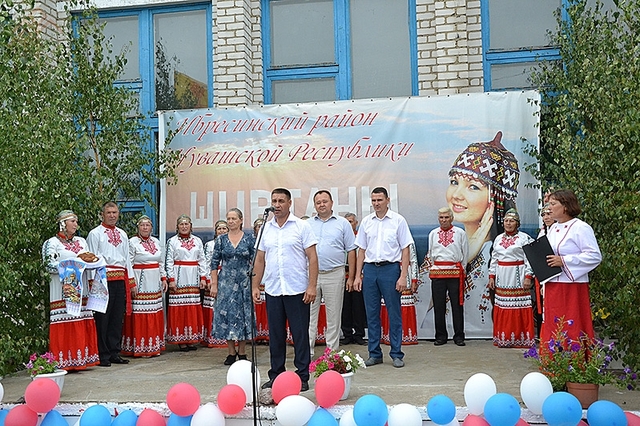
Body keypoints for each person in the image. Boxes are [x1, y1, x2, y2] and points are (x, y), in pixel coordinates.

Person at [445, 131, 520, 334]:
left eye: (473, 187)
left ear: (496, 197)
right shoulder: (450, 237)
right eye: (454, 182)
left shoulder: (495, 251)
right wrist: (468, 252)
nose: (457, 195)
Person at [252, 188, 318, 392]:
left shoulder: (301, 226)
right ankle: (276, 374)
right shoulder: (266, 228)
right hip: (273, 289)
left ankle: (302, 375)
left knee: (299, 335)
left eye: (281, 201)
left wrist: (312, 285)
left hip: (297, 289)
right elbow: (260, 259)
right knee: (276, 335)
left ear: (290, 203)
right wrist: (255, 285)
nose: (277, 205)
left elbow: (312, 257)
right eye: (274, 201)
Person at [353, 187, 415, 368]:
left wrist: (403, 276)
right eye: (373, 200)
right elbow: (361, 250)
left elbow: (405, 249)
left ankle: (396, 353)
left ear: (388, 200)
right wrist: (357, 276)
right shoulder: (366, 222)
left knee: (393, 312)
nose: (376, 203)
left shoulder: (398, 220)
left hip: (390, 269)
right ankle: (374, 353)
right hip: (370, 270)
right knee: (372, 313)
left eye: (379, 200)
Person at [42, 210, 100, 370]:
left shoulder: (81, 241)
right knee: (65, 319)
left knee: (80, 318)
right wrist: (71, 266)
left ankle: (82, 359)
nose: (76, 224)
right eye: (72, 221)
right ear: (63, 224)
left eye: (76, 221)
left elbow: (89, 258)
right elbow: (48, 265)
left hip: (82, 289)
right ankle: (64, 361)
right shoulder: (52, 243)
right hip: (62, 289)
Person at [542, 189, 601, 342]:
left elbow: (594, 256)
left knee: (570, 323)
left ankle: (573, 355)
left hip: (571, 286)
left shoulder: (580, 227)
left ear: (566, 206)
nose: (549, 208)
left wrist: (565, 260)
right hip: (552, 283)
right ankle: (553, 355)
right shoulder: (553, 228)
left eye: (553, 204)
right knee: (553, 323)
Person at [87, 202, 136, 367]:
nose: (112, 215)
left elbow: (127, 259)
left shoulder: (122, 234)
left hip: (120, 278)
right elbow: (91, 258)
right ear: (102, 214)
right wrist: (92, 283)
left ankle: (115, 352)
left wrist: (131, 282)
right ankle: (103, 354)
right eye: (109, 212)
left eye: (114, 212)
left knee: (116, 317)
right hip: (102, 278)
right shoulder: (95, 234)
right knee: (103, 318)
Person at [308, 190, 356, 355]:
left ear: (332, 203)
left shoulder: (343, 223)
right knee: (309, 316)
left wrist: (351, 277)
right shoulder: (307, 224)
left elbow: (351, 250)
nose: (322, 205)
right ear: (315, 205)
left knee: (333, 316)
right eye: (318, 202)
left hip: (335, 274)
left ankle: (331, 354)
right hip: (311, 276)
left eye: (325, 201)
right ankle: (307, 353)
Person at [210, 208, 255, 365]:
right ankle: (230, 352)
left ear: (241, 220)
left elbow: (256, 261)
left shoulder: (249, 239)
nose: (230, 221)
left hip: (244, 283)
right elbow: (214, 263)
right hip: (225, 283)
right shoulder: (221, 240)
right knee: (227, 315)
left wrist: (255, 283)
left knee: (243, 315)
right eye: (228, 218)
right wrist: (214, 284)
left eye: (234, 218)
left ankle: (242, 351)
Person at [487, 208, 535, 348]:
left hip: (517, 275)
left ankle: (520, 338)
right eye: (506, 221)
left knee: (518, 305)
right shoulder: (498, 239)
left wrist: (528, 276)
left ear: (517, 223)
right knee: (503, 305)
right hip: (502, 277)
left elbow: (529, 259)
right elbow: (494, 259)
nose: (508, 223)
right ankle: (505, 338)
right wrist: (492, 276)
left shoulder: (524, 238)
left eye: (511, 221)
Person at [121, 215, 167, 358]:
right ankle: (140, 347)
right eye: (142, 225)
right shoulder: (132, 242)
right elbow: (128, 263)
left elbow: (160, 262)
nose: (145, 228)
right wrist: (131, 283)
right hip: (141, 280)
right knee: (140, 313)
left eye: (147, 225)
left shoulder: (156, 242)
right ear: (138, 227)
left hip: (154, 282)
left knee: (154, 311)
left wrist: (163, 278)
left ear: (151, 228)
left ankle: (153, 346)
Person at [426, 207, 469, 346]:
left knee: (457, 306)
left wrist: (462, 269)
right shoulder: (433, 233)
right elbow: (431, 253)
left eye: (446, 217)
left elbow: (465, 253)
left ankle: (459, 336)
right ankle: (440, 336)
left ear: (452, 218)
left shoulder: (460, 233)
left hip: (455, 272)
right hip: (438, 272)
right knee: (439, 306)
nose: (443, 220)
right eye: (441, 217)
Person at [165, 214, 207, 351]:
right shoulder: (172, 241)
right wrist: (171, 279)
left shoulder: (197, 241)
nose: (184, 226)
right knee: (180, 308)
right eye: (181, 224)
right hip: (179, 276)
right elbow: (169, 261)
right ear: (177, 227)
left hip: (193, 277)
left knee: (192, 307)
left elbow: (202, 260)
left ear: (191, 226)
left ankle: (191, 338)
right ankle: (181, 340)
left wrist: (203, 277)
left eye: (186, 224)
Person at [340, 213, 367, 346]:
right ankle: (347, 334)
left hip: (358, 277)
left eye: (351, 221)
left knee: (358, 307)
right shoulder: (341, 237)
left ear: (356, 223)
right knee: (344, 307)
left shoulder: (360, 237)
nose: (349, 224)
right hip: (343, 276)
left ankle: (359, 334)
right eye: (346, 222)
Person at [202, 220, 229, 348]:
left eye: (224, 228)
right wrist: (209, 280)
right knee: (214, 306)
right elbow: (207, 262)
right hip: (214, 275)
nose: (222, 231)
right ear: (215, 231)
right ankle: (213, 337)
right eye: (219, 228)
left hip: (228, 277)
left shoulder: (232, 242)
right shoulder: (209, 245)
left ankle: (228, 337)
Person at [252, 218, 270, 343]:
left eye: (262, 226)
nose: (260, 228)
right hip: (257, 273)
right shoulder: (251, 242)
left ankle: (268, 333)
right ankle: (257, 334)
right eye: (258, 226)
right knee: (257, 305)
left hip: (269, 274)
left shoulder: (269, 239)